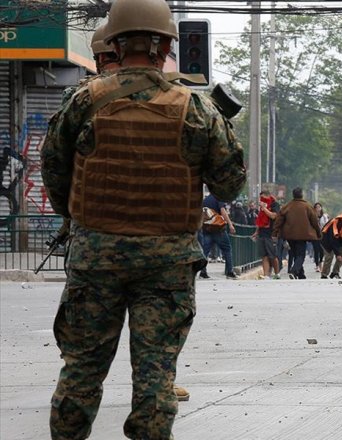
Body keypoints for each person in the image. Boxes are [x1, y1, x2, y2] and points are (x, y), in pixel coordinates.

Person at [40, 0, 246, 437]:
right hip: (166, 263)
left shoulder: (82, 100)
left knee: (80, 373)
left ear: (113, 43)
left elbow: (54, 169)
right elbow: (229, 185)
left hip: (95, 258)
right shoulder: (197, 109)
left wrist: (79, 219)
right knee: (156, 378)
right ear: (167, 45)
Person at [274, 188, 321, 279]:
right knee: (301, 255)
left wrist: (275, 232)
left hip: (289, 235)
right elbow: (315, 221)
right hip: (303, 235)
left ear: (293, 195)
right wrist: (318, 233)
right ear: (302, 195)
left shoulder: (287, 206)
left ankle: (301, 274)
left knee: (295, 253)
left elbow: (278, 221)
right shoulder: (307, 206)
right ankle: (294, 271)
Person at [198, 192, 238, 279]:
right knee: (227, 249)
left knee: (205, 251)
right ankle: (229, 272)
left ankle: (203, 271)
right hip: (218, 229)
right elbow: (223, 211)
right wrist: (230, 224)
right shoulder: (219, 198)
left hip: (207, 228)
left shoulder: (206, 200)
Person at [253, 190, 281, 279]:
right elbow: (260, 220)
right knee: (264, 255)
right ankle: (266, 275)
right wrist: (256, 232)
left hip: (270, 233)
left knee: (272, 255)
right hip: (262, 233)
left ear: (268, 196)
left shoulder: (274, 204)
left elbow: (273, 216)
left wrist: (264, 209)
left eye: (263, 198)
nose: (261, 200)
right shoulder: (261, 206)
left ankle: (277, 273)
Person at [312, 202, 329, 272]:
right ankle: (317, 266)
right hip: (315, 235)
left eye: (319, 207)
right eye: (316, 207)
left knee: (322, 251)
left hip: (323, 235)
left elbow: (327, 225)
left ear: (321, 208)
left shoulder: (324, 216)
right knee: (316, 250)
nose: (318, 208)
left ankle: (320, 263)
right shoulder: (312, 216)